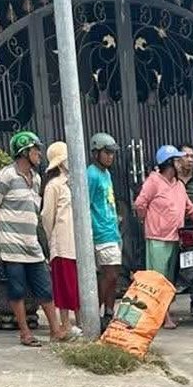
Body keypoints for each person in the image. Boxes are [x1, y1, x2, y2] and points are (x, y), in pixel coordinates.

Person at [0, 131, 67, 346]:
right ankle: (25, 333)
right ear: (24, 152)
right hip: (11, 246)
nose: (39, 154)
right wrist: (3, 228)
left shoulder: (37, 179)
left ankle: (55, 330)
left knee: (45, 288)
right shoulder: (6, 176)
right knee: (17, 289)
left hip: (32, 245)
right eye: (35, 150)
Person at [135, 145, 193, 329]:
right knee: (158, 280)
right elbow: (140, 204)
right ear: (169, 163)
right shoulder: (154, 181)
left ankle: (163, 314)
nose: (182, 163)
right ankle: (163, 317)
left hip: (175, 238)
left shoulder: (179, 185)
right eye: (178, 160)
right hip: (158, 238)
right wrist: (147, 221)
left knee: (168, 281)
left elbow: (190, 208)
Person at [40, 142, 81, 339]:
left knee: (78, 285)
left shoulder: (75, 183)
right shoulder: (54, 186)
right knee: (64, 286)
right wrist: (52, 238)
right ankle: (65, 323)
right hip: (63, 242)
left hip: (78, 243)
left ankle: (81, 322)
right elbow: (47, 216)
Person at [87, 132, 121, 327]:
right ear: (96, 153)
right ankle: (94, 313)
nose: (110, 156)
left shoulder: (106, 174)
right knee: (110, 275)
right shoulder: (91, 174)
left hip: (111, 230)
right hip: (100, 232)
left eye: (112, 153)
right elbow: (86, 203)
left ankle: (109, 311)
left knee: (114, 275)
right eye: (106, 152)